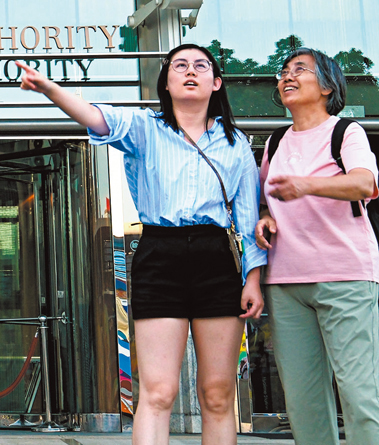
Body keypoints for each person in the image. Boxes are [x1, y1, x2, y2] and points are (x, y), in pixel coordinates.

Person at [19, 43, 266, 445]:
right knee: (158, 391)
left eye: (200, 65)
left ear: (216, 82)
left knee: (218, 394)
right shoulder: (144, 127)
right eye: (179, 65)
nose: (190, 71)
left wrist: (252, 278)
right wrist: (50, 89)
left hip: (216, 258)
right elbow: (96, 118)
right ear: (165, 83)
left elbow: (248, 218)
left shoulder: (235, 143)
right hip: (159, 255)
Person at [255, 48, 379, 445]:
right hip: (285, 282)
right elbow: (264, 199)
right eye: (283, 71)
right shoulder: (274, 143)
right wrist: (265, 216)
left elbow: (364, 183)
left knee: (360, 395)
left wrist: (306, 185)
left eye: (300, 70)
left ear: (327, 86)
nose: (287, 77)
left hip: (345, 277)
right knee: (303, 403)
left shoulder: (346, 132)